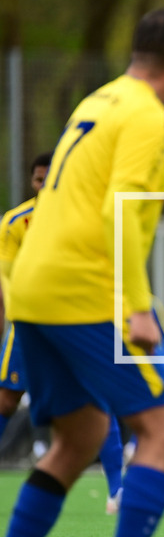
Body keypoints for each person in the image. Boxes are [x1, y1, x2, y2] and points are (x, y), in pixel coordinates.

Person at [0, 8, 164, 537]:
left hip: (32, 289)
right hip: (82, 292)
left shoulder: (100, 100)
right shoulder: (147, 115)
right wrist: (138, 308)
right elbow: (122, 210)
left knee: (79, 437)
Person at [0, 152, 51, 442]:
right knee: (7, 398)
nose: (43, 185)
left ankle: (115, 486)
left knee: (96, 400)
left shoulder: (83, 217)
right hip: (27, 321)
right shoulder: (16, 221)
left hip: (74, 321)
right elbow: (6, 275)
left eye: (49, 178)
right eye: (38, 179)